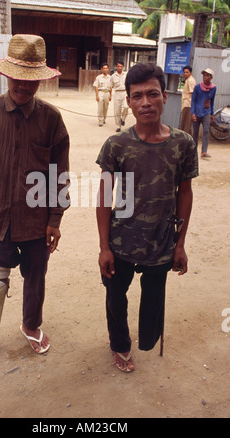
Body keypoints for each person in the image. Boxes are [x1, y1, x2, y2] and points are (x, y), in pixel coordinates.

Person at [0, 34, 70, 373]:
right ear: (7, 74)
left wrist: (54, 219)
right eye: (18, 78)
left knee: (36, 277)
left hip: (36, 222)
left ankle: (30, 324)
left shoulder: (52, 120)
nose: (24, 87)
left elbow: (60, 175)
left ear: (41, 80)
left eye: (32, 80)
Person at [96, 62, 198, 373]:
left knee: (153, 299)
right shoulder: (116, 145)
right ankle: (120, 344)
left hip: (161, 243)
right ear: (127, 100)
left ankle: (148, 340)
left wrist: (180, 244)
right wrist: (104, 247)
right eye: (137, 96)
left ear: (164, 96)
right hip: (121, 240)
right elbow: (103, 198)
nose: (145, 103)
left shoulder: (182, 144)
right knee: (116, 297)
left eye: (152, 94)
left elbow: (184, 194)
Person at [191, 68, 216, 158]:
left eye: (207, 75)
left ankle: (204, 151)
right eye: (204, 75)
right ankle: (193, 151)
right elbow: (193, 100)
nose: (205, 77)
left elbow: (212, 101)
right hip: (197, 113)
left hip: (207, 113)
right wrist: (193, 113)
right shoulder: (197, 87)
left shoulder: (213, 88)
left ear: (211, 77)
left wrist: (212, 113)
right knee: (195, 133)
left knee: (206, 131)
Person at [111, 61, 128, 132]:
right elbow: (111, 86)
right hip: (117, 93)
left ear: (123, 67)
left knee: (126, 107)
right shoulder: (113, 76)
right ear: (116, 67)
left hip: (125, 92)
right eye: (118, 66)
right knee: (117, 111)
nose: (120, 68)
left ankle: (123, 119)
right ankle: (118, 126)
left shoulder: (126, 74)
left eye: (121, 66)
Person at [179, 65, 196, 134]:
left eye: (187, 72)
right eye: (184, 72)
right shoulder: (187, 80)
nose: (185, 74)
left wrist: (193, 108)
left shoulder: (191, 80)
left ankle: (187, 142)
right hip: (185, 105)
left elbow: (193, 94)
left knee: (186, 125)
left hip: (188, 105)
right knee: (184, 124)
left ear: (191, 73)